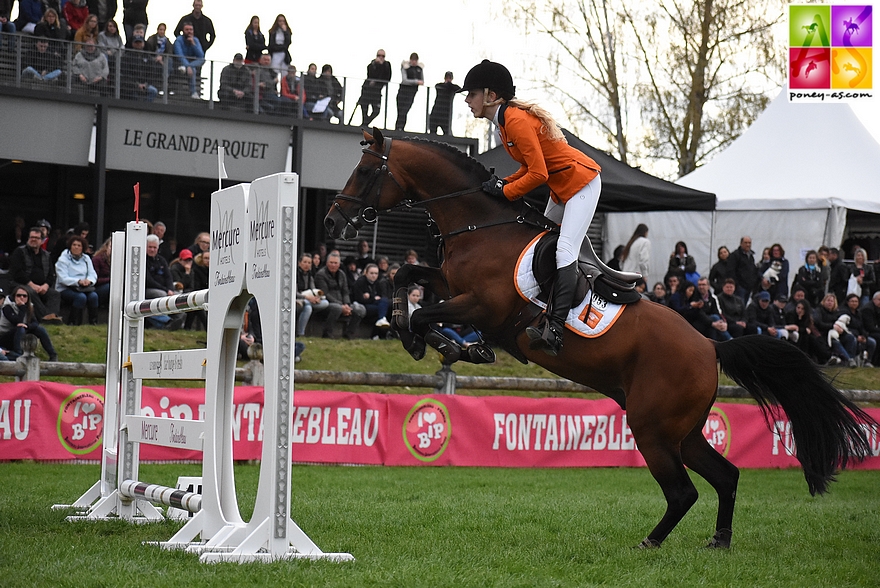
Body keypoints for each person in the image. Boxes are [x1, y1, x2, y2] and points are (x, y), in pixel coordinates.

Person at [463, 59, 602, 356]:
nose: (467, 100)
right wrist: (502, 184)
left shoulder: (514, 120)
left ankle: (555, 327)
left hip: (582, 183)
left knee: (564, 250)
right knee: (532, 240)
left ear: (491, 96)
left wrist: (507, 193)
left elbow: (538, 174)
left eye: (471, 93)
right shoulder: (504, 123)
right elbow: (529, 168)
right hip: (562, 187)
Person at [8, 228, 63, 324]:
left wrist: (45, 285)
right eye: (31, 237)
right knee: (30, 292)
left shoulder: (46, 255)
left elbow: (51, 275)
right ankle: (45, 318)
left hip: (41, 286)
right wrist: (32, 284)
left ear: (42, 241)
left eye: (37, 238)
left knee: (55, 294)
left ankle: (52, 316)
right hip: (20, 284)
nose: (33, 239)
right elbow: (17, 273)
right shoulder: (19, 252)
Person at [314, 251, 366, 339]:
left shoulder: (342, 274)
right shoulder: (320, 275)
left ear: (339, 264)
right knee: (337, 308)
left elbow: (345, 291)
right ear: (327, 263)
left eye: (335, 263)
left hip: (342, 303)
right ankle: (327, 333)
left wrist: (347, 305)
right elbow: (325, 294)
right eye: (331, 263)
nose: (333, 265)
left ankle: (349, 334)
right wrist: (341, 306)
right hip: (326, 303)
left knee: (360, 309)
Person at [0, 286, 58, 361]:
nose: (21, 297)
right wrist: (22, 308)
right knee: (20, 328)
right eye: (18, 295)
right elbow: (17, 321)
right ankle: (19, 354)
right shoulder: (7, 307)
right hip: (5, 336)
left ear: (28, 298)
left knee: (40, 329)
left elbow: (35, 322)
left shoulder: (29, 306)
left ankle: (53, 354)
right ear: (14, 296)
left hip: (21, 332)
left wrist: (27, 326)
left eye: (24, 296)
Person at [55, 235, 99, 325]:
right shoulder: (62, 259)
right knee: (81, 297)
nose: (76, 247)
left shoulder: (86, 259)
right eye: (74, 245)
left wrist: (89, 281)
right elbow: (63, 278)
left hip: (84, 287)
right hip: (66, 288)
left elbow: (92, 274)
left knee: (94, 296)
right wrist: (78, 281)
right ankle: (73, 323)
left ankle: (93, 323)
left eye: (79, 245)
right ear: (70, 246)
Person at [813, 292, 856, 366]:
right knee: (835, 342)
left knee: (851, 338)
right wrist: (832, 326)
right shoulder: (819, 310)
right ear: (824, 301)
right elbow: (819, 323)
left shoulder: (837, 312)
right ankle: (848, 360)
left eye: (831, 301)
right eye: (828, 300)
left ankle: (850, 358)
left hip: (837, 333)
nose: (830, 303)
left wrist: (841, 330)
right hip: (825, 335)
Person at [352, 263, 392, 335]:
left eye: (376, 273)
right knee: (382, 309)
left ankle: (381, 321)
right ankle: (379, 327)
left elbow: (380, 297)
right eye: (371, 273)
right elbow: (360, 299)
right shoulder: (360, 282)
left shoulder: (378, 283)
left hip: (373, 304)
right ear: (366, 273)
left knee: (384, 302)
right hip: (362, 305)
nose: (374, 275)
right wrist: (373, 298)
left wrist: (370, 297)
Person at [294, 252, 328, 336]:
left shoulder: (310, 276)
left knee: (325, 303)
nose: (307, 265)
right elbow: (295, 293)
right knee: (308, 307)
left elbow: (313, 290)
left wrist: (316, 298)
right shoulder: (295, 275)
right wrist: (308, 298)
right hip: (298, 299)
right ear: (299, 263)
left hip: (309, 300)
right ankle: (301, 333)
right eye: (304, 262)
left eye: (309, 263)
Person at [790, 300, 832, 364]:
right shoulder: (791, 315)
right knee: (808, 338)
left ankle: (826, 357)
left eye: (802, 309)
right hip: (795, 335)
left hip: (805, 336)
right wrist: (801, 323)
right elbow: (794, 327)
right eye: (798, 308)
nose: (800, 310)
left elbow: (808, 329)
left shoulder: (807, 318)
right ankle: (827, 357)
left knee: (813, 339)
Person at [120, 33, 160, 102]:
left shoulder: (148, 57)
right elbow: (126, 74)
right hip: (131, 85)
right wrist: (137, 84)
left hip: (146, 85)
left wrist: (146, 84)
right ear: (133, 44)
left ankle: (146, 107)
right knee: (131, 92)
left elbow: (152, 73)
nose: (138, 44)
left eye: (140, 42)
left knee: (154, 91)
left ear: (143, 43)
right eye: (136, 42)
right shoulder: (127, 57)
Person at [358, 49, 392, 127]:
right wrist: (377, 65)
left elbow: (387, 77)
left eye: (383, 56)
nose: (380, 58)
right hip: (367, 90)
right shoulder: (372, 65)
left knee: (376, 110)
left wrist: (381, 65)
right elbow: (371, 74)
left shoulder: (387, 65)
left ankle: (365, 123)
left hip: (377, 91)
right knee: (364, 106)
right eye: (379, 56)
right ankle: (364, 123)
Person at [842, 293, 876, 366]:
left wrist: (864, 336)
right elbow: (845, 327)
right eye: (852, 301)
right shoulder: (844, 312)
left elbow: (861, 327)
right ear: (847, 302)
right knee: (853, 340)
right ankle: (851, 360)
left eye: (856, 301)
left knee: (872, 342)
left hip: (859, 334)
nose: (854, 303)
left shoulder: (859, 313)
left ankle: (867, 361)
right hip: (847, 334)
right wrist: (857, 336)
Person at [174, 21, 205, 99]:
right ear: (183, 31)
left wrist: (193, 44)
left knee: (202, 60)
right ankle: (193, 92)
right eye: (187, 29)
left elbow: (201, 56)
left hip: (190, 64)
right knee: (193, 70)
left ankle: (189, 67)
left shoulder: (195, 40)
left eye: (191, 30)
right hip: (179, 64)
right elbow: (179, 55)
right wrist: (188, 65)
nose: (189, 31)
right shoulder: (179, 40)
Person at [695, 277, 731, 341]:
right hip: (699, 321)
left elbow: (716, 311)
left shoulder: (712, 298)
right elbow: (699, 313)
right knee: (714, 318)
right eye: (699, 285)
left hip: (710, 321)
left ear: (708, 286)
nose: (701, 287)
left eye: (703, 285)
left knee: (716, 319)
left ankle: (714, 344)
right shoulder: (695, 297)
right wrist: (712, 323)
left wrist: (723, 322)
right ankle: (729, 339)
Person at [395, 52, 424, 131]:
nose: (414, 62)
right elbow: (404, 80)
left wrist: (417, 82)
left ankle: (401, 127)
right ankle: (398, 128)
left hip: (411, 93)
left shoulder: (419, 69)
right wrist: (415, 82)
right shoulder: (405, 67)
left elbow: (422, 81)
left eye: (415, 60)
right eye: (412, 60)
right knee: (400, 111)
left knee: (405, 111)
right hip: (403, 92)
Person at [728, 236, 758, 305]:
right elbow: (731, 271)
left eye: (749, 243)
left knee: (744, 307)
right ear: (741, 243)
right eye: (746, 243)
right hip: (740, 287)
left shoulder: (751, 256)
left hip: (749, 287)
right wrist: (737, 284)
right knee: (739, 306)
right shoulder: (735, 255)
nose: (748, 245)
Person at [92, 237, 112, 306]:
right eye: (111, 247)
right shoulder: (97, 259)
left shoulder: (118, 260)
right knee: (111, 287)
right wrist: (110, 279)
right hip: (98, 288)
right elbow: (95, 280)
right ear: (106, 247)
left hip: (111, 284)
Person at [861, 291, 880, 365]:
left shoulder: (877, 308)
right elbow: (870, 327)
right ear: (873, 299)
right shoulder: (868, 309)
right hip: (866, 332)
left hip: (874, 330)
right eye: (879, 299)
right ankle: (874, 362)